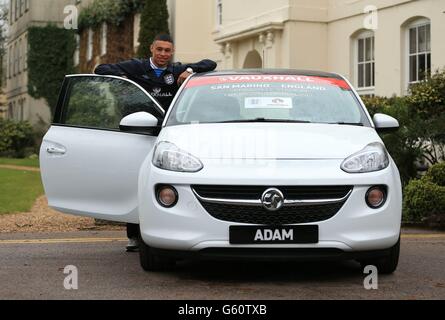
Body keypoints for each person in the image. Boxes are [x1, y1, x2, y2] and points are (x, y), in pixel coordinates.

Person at [94, 34, 217, 252]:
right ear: (151, 49)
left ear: (172, 52)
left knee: (167, 186)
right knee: (138, 183)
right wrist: (125, 77)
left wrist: (190, 71)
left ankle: (171, 233)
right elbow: (101, 69)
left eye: (167, 51)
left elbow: (210, 64)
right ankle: (133, 236)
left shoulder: (177, 70)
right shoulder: (136, 67)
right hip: (139, 132)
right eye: (159, 50)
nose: (163, 54)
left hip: (168, 135)